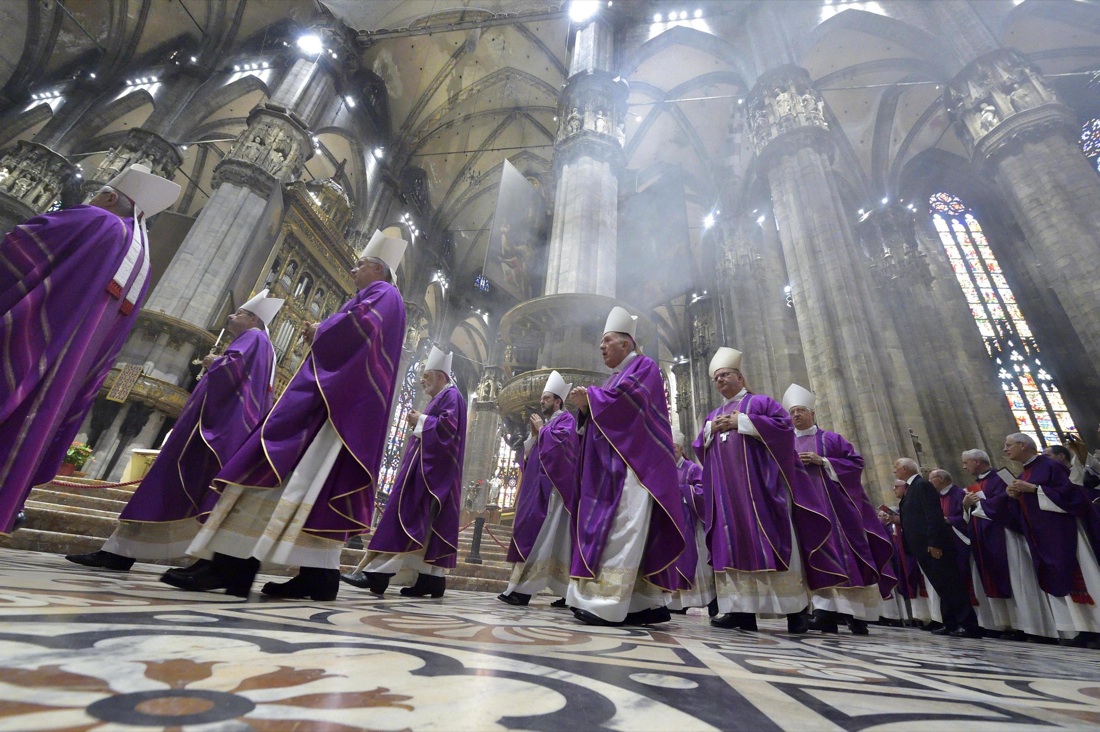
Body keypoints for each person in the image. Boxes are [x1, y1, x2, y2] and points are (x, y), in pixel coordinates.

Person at [161, 230, 408, 600]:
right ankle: (315, 576)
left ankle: (229, 566)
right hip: (336, 403)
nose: (353, 270)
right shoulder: (383, 297)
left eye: (360, 265)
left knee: (268, 466)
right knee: (308, 485)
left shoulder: (384, 293)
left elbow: (361, 329)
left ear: (378, 268)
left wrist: (321, 329)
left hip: (328, 404)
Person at [0, 164, 181, 533]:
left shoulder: (98, 220)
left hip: (33, 342)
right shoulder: (141, 263)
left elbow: (19, 249)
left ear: (111, 197)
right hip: (66, 375)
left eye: (97, 195)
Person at [64, 291, 283, 570]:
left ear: (253, 319)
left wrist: (213, 362)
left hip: (206, 429)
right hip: (221, 427)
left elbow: (233, 370)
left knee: (163, 483)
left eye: (239, 313)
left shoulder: (252, 337)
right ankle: (121, 551)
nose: (231, 316)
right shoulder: (265, 345)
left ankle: (119, 552)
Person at [694, 349, 846, 634]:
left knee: (775, 541)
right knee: (732, 545)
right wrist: (709, 430)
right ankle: (740, 611)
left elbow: (783, 429)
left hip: (762, 491)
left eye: (725, 375)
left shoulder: (761, 402)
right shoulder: (713, 415)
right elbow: (699, 447)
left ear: (740, 378)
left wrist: (742, 422)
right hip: (727, 498)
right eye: (716, 378)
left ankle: (795, 611)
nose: (720, 380)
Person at [563, 306, 689, 626]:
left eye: (607, 340)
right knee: (626, 531)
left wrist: (592, 400)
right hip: (614, 467)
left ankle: (606, 603)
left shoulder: (644, 366)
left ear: (626, 343)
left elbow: (628, 403)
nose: (601, 347)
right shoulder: (613, 377)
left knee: (623, 529)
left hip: (636, 467)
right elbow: (607, 414)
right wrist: (585, 410)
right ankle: (645, 605)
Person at [342, 345, 467, 599]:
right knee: (427, 528)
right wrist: (421, 420)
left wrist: (420, 420)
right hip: (431, 472)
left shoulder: (451, 396)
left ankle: (377, 574)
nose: (422, 380)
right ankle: (432, 579)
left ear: (440, 376)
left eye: (426, 375)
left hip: (429, 475)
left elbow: (448, 430)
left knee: (404, 517)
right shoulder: (444, 397)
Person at [783, 384, 895, 635]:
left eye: (801, 410)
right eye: (792, 412)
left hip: (836, 511)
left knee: (846, 557)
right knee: (815, 557)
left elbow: (855, 463)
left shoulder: (831, 439)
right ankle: (825, 613)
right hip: (805, 512)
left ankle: (856, 614)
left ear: (812, 413)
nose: (796, 415)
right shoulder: (786, 443)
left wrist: (823, 461)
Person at [977, 433, 1100, 646]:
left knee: (1083, 577)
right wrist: (1015, 496)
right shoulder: (1025, 473)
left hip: (1065, 532)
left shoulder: (1050, 465)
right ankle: (1084, 629)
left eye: (1008, 445)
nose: (1005, 449)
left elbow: (1073, 495)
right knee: (1063, 579)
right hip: (1044, 534)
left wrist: (1035, 489)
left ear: (1023, 445)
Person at [497, 370, 578, 607]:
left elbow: (562, 448)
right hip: (537, 491)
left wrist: (542, 431)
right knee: (545, 540)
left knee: (546, 540)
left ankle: (524, 590)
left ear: (558, 401)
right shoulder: (549, 424)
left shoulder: (567, 420)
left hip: (555, 494)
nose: (541, 401)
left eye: (546, 398)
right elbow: (529, 458)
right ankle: (565, 593)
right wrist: (534, 437)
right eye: (542, 398)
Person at [960, 449, 1058, 641]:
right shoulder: (975, 484)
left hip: (1005, 536)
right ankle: (1009, 625)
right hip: (985, 538)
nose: (964, 467)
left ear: (977, 461)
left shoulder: (1001, 477)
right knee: (995, 579)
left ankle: (1031, 627)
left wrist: (979, 504)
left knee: (1017, 579)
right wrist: (966, 505)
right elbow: (973, 511)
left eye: (966, 462)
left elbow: (1009, 501)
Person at [894, 458, 981, 638]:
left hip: (932, 546)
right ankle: (951, 623)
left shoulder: (922, 485)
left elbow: (933, 516)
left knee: (951, 585)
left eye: (896, 467)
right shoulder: (912, 488)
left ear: (905, 468)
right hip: (921, 547)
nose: (894, 471)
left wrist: (934, 543)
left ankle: (969, 625)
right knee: (941, 586)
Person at [667, 430, 714, 614]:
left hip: (690, 524)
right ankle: (673, 603)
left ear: (681, 449)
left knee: (691, 559)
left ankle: (692, 600)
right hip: (670, 523)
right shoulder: (664, 468)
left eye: (674, 447)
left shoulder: (692, 468)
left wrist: (683, 491)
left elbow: (703, 491)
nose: (672, 451)